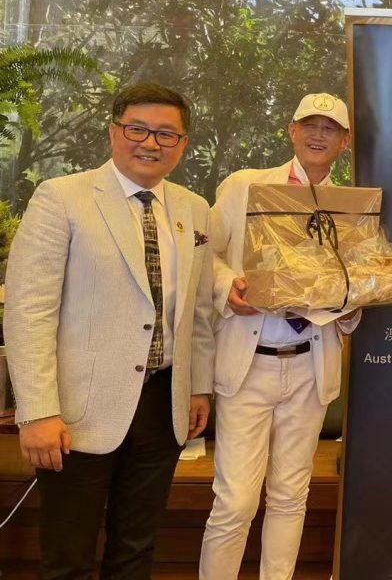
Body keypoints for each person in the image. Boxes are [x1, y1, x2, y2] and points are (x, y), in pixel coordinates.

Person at [4, 83, 214, 579]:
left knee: (135, 551)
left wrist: (198, 386)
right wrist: (37, 411)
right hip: (77, 411)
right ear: (114, 132)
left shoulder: (193, 208)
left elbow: (198, 309)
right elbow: (29, 311)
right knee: (68, 557)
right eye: (137, 129)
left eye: (166, 134)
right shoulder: (62, 197)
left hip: (164, 404)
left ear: (182, 144)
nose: (151, 143)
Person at [199, 92, 361, 580]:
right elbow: (206, 254)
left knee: (291, 495)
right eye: (309, 125)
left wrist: (351, 301)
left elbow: (354, 283)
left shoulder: (352, 208)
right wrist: (227, 287)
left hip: (310, 362)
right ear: (291, 131)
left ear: (345, 141)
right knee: (235, 501)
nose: (318, 135)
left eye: (329, 128)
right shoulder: (244, 186)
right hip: (249, 362)